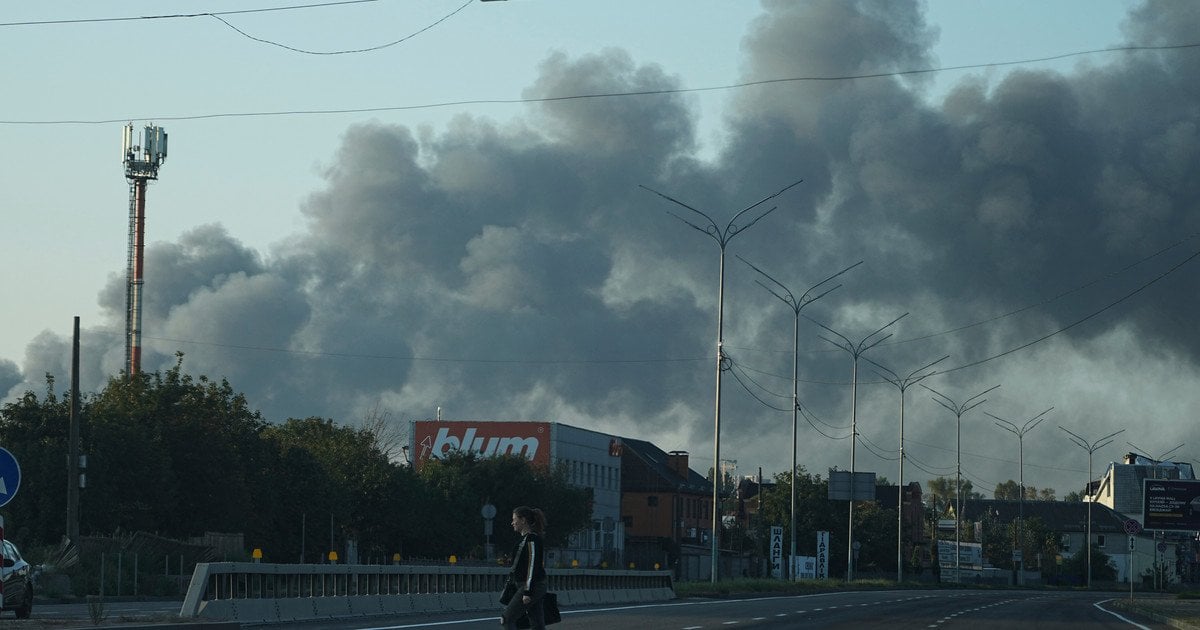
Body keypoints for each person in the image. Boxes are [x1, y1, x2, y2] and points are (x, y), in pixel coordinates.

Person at [501, 506, 548, 629]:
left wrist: (527, 591)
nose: (512, 523)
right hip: (530, 584)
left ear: (523, 520)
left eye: (514, 519)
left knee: (507, 619)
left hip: (532, 585)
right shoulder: (524, 540)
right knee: (537, 624)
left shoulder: (532, 539)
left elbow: (532, 565)